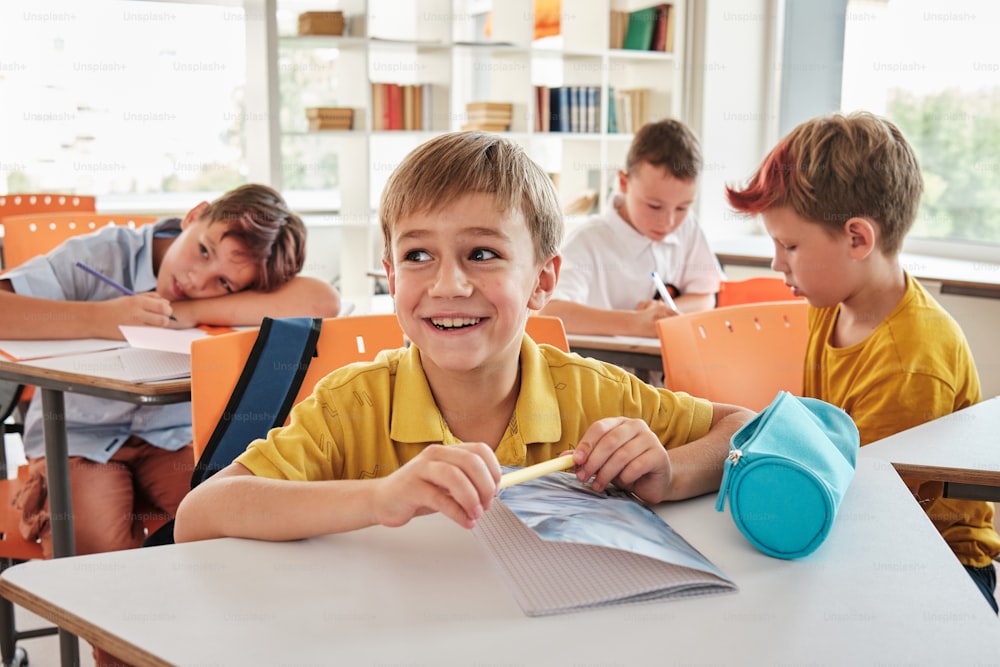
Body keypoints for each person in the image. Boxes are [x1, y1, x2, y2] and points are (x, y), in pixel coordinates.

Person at [173, 131, 754, 544]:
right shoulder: (352, 405)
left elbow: (744, 430)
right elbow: (200, 514)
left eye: (482, 253)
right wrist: (380, 499)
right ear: (392, 275)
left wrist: (671, 474)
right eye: (418, 255)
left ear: (542, 279)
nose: (448, 284)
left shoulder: (594, 394)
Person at [725, 111, 1000, 612]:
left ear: (857, 239)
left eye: (789, 244)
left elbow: (881, 513)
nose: (776, 263)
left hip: (941, 570)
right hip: (866, 527)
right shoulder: (832, 309)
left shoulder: (909, 361)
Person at [0, 183, 341, 561]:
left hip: (173, 436)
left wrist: (190, 312)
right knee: (99, 556)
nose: (197, 280)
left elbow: (323, 299)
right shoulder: (102, 255)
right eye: (203, 251)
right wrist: (103, 318)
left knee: (234, 529)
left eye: (224, 283)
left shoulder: (228, 287)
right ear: (194, 216)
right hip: (79, 436)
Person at [538, 118, 724, 337]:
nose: (668, 221)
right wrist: (634, 323)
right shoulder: (588, 240)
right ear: (624, 183)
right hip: (605, 368)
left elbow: (705, 296)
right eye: (654, 206)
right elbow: (551, 313)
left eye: (682, 207)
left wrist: (662, 316)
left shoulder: (687, 228)